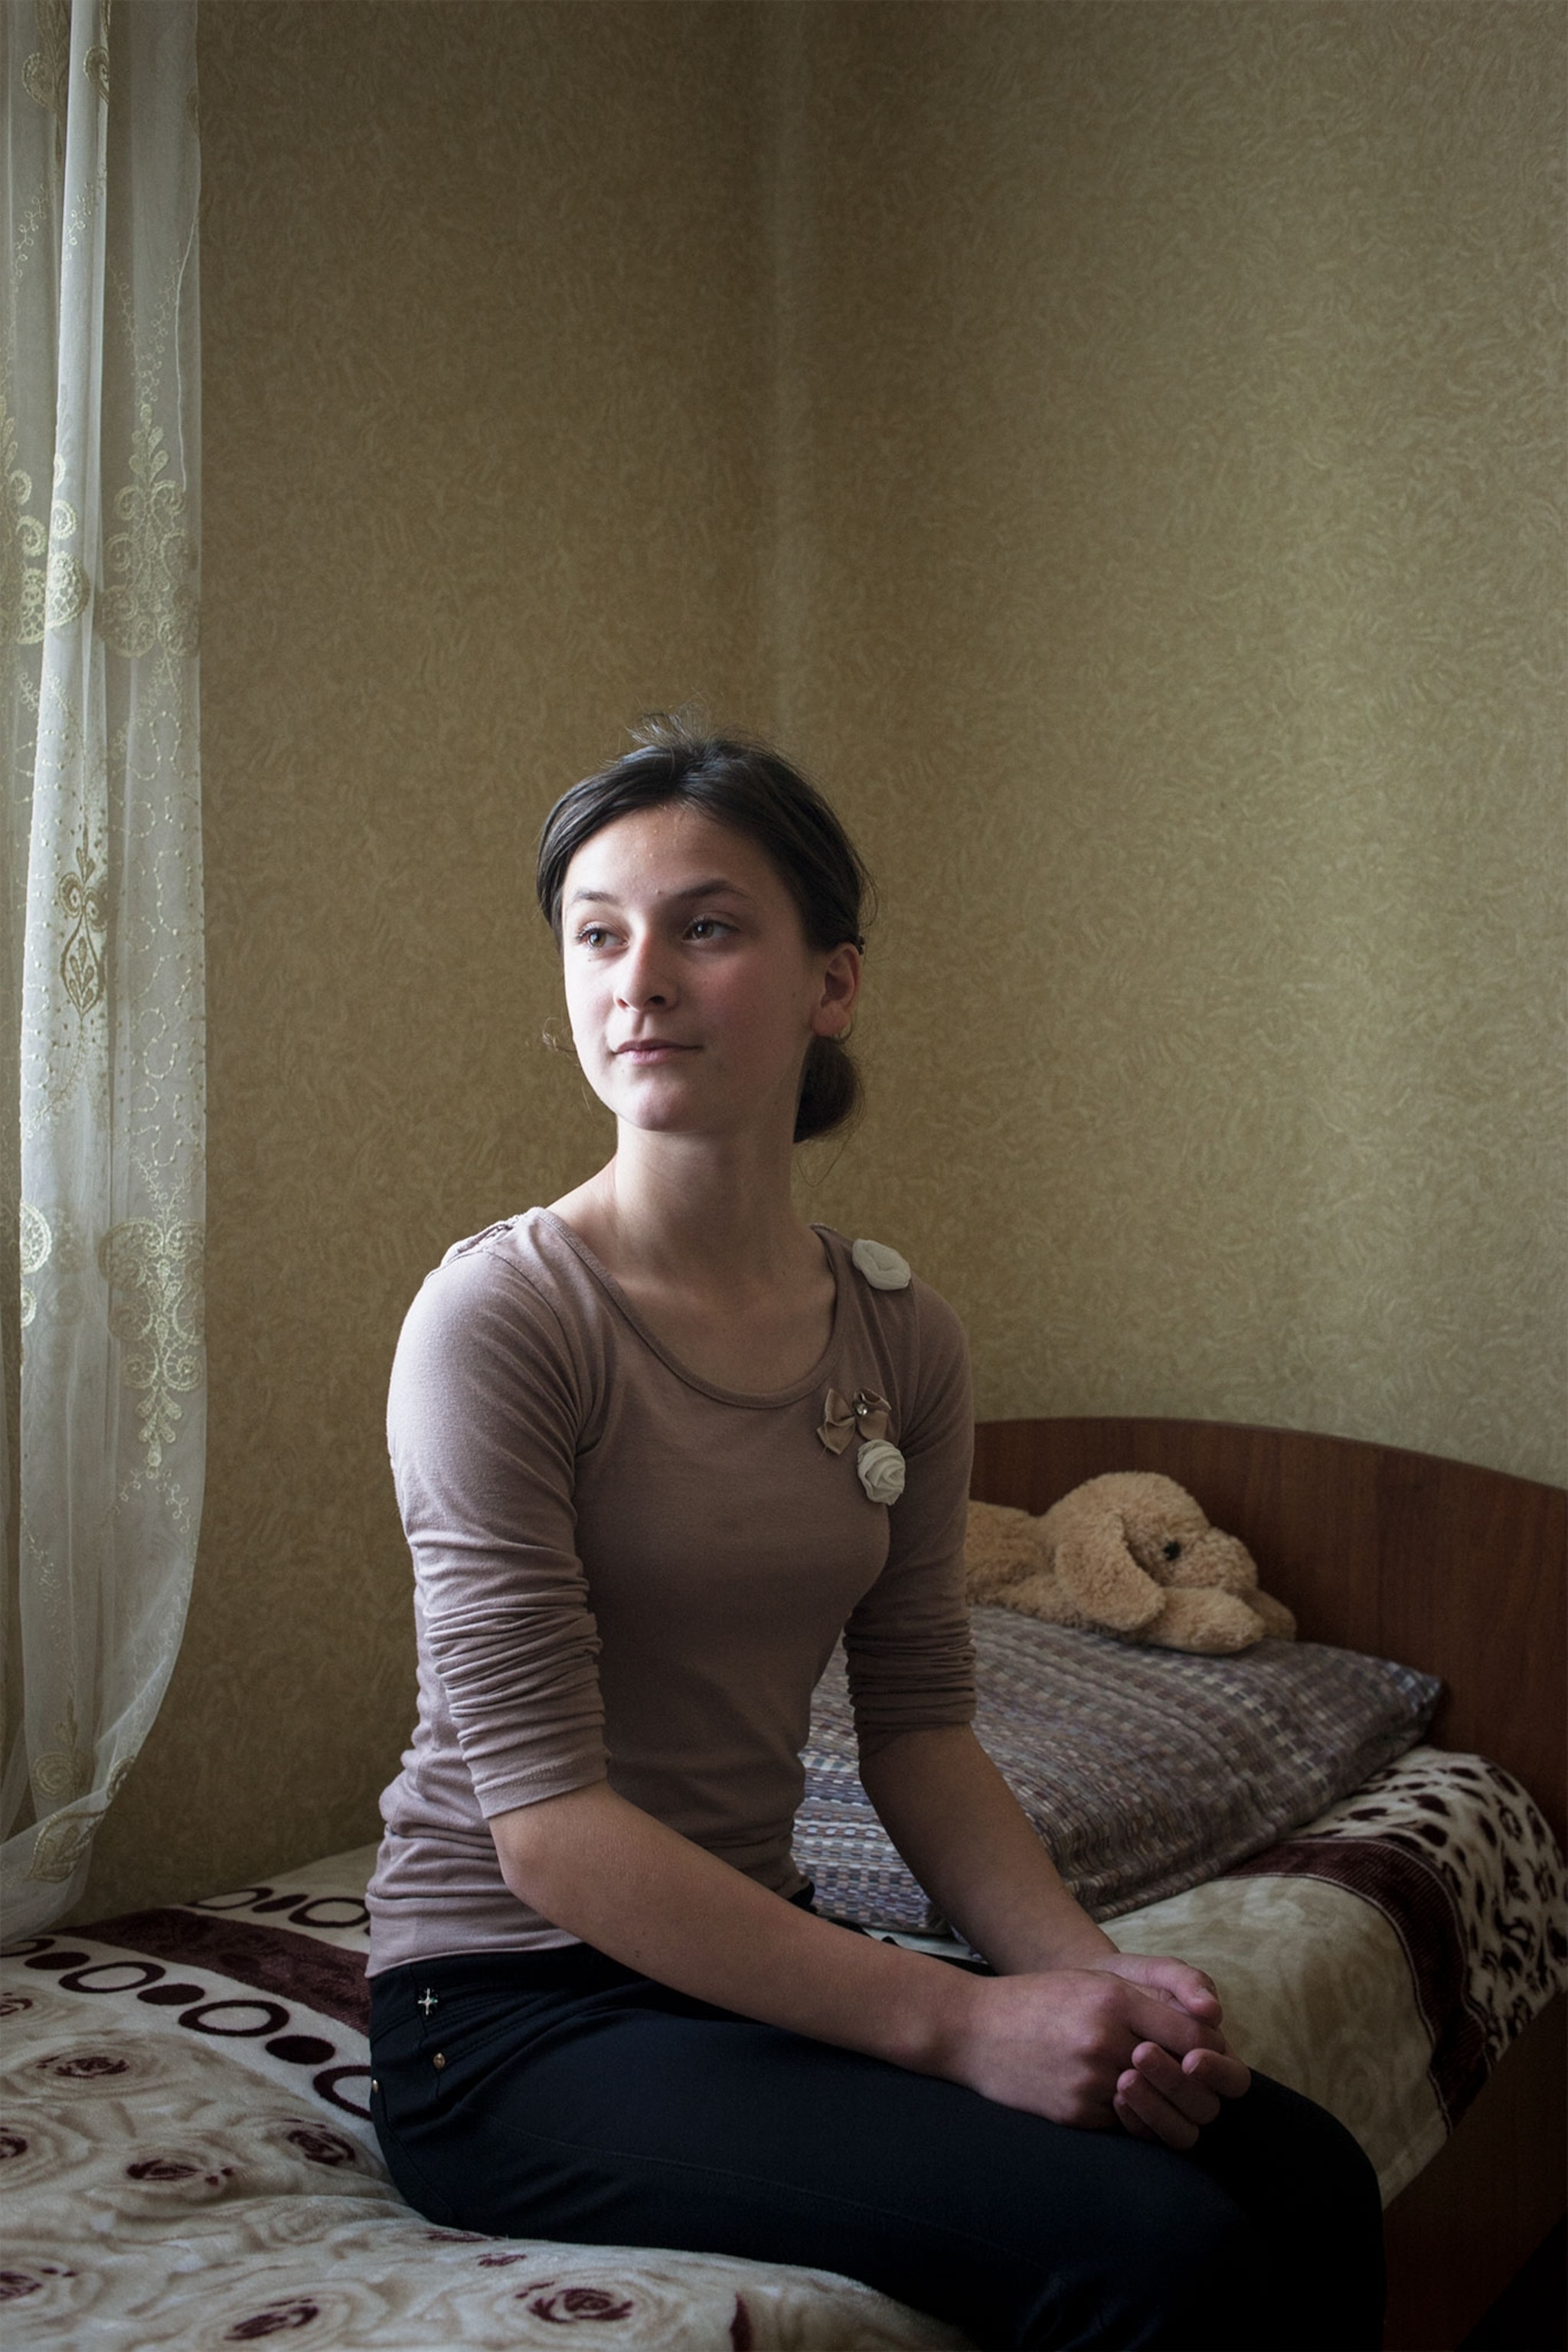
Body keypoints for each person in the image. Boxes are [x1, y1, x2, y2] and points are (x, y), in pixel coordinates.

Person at [365, 720, 1384, 2349]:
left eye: (707, 925)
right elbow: (546, 1828)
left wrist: (1082, 1987)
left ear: (831, 983)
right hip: (506, 2015)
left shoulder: (900, 1337)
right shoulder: (499, 1319)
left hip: (736, 1961)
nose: (640, 978)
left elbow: (917, 1733)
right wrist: (954, 2029)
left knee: (1303, 2175)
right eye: (597, 933)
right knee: (1157, 2254)